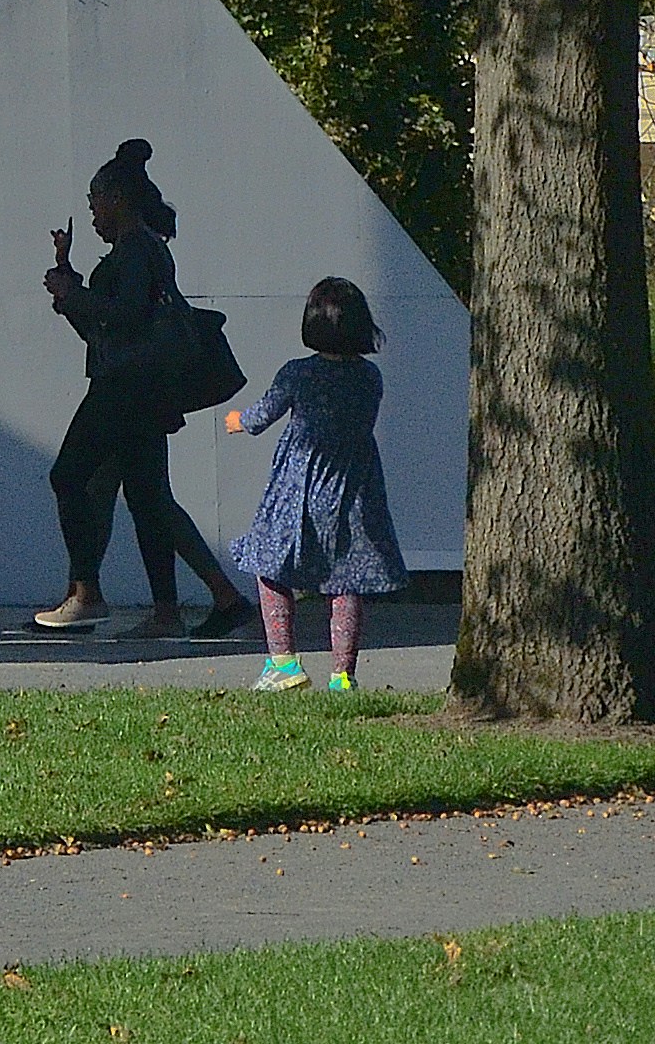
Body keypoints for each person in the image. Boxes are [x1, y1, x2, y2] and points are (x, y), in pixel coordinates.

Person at [32, 136, 250, 639]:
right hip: (145, 390)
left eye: (94, 204)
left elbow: (121, 320)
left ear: (114, 200)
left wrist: (74, 293)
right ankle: (191, 603)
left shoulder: (133, 254)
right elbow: (102, 327)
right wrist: (70, 288)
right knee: (149, 499)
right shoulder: (146, 250)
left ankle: (86, 593)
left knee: (70, 477)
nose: (91, 216)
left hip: (123, 391)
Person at [223, 275, 405, 693]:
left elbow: (261, 415)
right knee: (346, 578)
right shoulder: (369, 378)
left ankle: (284, 664)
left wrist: (238, 420)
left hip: (299, 487)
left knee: (268, 563)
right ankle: (343, 676)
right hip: (354, 488)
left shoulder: (297, 374)